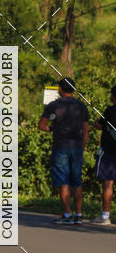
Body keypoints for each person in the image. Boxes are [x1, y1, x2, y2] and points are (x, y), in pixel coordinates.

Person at [38, 77, 89, 225]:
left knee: (63, 181)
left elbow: (41, 125)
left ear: (60, 89)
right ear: (73, 89)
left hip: (60, 147)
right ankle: (79, 215)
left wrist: (53, 129)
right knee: (77, 182)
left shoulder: (53, 106)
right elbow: (86, 130)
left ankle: (67, 214)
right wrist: (82, 148)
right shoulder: (81, 106)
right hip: (76, 147)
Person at [91, 84, 116, 225]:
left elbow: (98, 124)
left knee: (108, 183)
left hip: (109, 152)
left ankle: (105, 216)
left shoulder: (109, 111)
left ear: (113, 96)